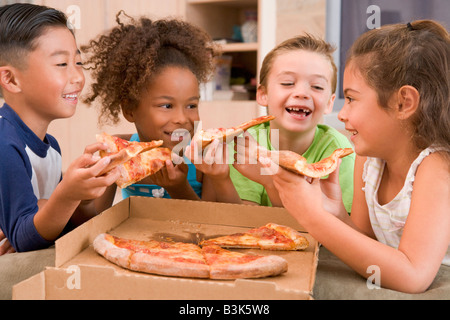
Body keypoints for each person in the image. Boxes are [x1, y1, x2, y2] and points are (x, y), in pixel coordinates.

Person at [261, 20, 450, 293]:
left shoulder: (436, 167)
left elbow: (413, 275)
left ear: (403, 103)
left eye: (351, 99)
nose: (341, 114)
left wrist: (312, 216)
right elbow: (364, 244)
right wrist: (335, 212)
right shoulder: (369, 159)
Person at [0, 3, 119, 254]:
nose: (77, 77)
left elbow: (63, 223)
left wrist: (88, 189)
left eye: (78, 62)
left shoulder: (51, 146)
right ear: (11, 79)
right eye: (62, 64)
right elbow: (25, 239)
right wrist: (65, 196)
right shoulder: (5, 144)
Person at [188, 34, 355, 210]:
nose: (302, 93)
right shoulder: (244, 146)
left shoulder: (339, 154)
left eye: (317, 87)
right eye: (288, 83)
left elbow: (332, 229)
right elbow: (244, 227)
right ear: (263, 94)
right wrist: (220, 179)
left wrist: (269, 181)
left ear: (330, 102)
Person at [82, 12, 220, 208]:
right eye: (166, 106)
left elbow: (212, 224)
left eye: (191, 105)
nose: (181, 118)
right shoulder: (120, 151)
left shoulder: (205, 158)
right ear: (130, 110)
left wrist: (179, 187)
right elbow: (93, 218)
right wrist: (84, 191)